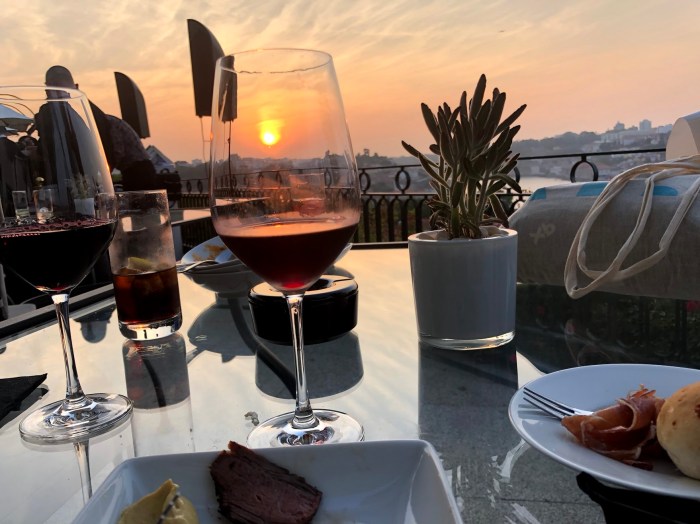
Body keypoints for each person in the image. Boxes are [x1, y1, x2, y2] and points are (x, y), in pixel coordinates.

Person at [44, 65, 161, 191]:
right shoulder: (90, 115)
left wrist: (101, 177)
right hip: (134, 170)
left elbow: (114, 152)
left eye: (59, 91)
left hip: (139, 172)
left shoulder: (97, 120)